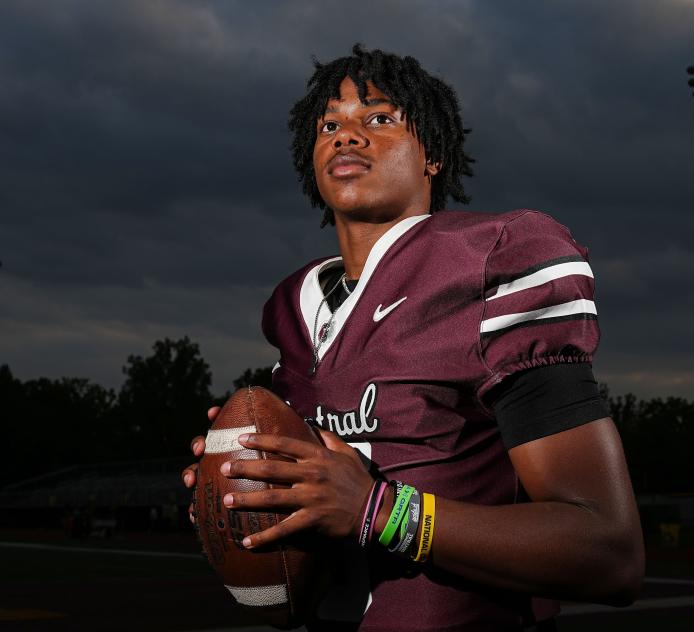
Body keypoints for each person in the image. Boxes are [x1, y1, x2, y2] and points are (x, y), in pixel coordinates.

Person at [182, 44, 644, 631]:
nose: (347, 135)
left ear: (434, 154)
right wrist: (250, 508)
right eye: (330, 124)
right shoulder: (293, 312)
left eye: (378, 118)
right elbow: (295, 598)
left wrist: (375, 510)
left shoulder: (490, 264)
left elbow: (610, 554)